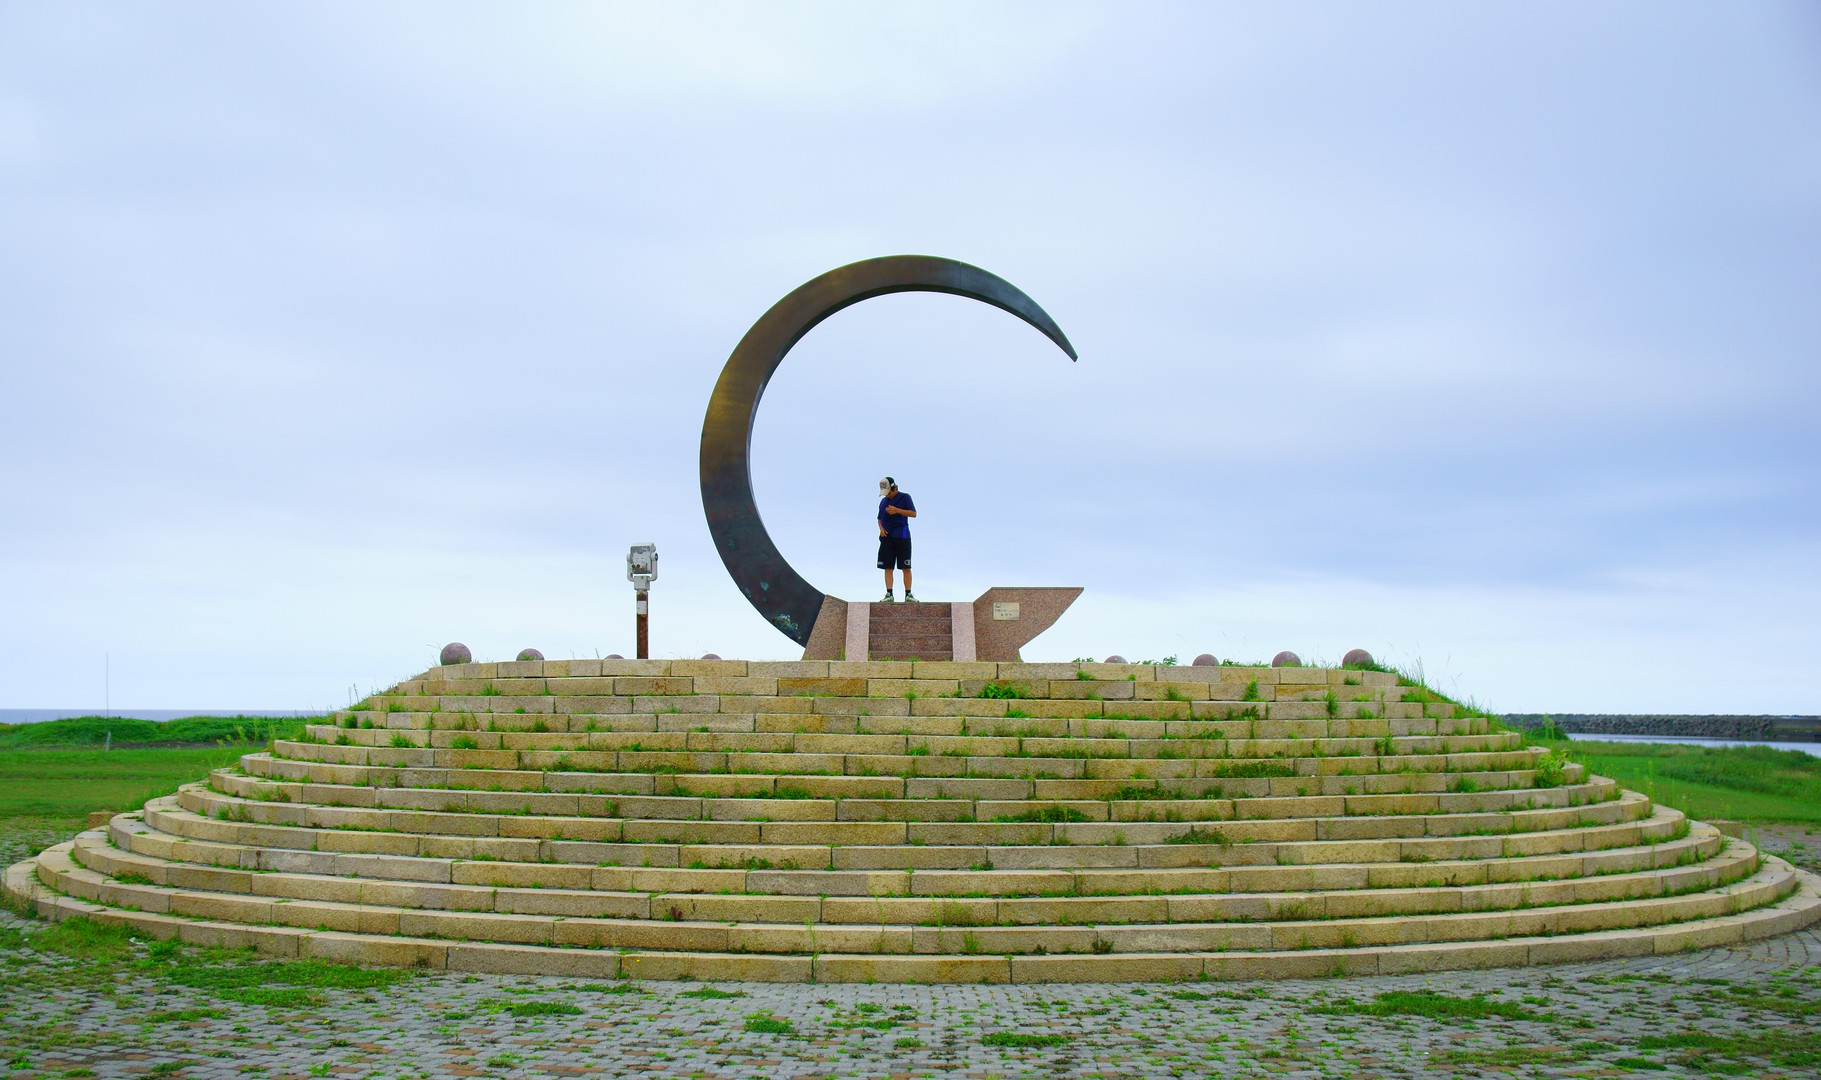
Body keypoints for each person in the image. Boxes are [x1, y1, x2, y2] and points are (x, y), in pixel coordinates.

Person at [876, 476, 917, 603]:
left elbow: (913, 513)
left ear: (894, 488)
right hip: (887, 538)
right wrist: (881, 528)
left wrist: (897, 510)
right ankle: (889, 594)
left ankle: (908, 594)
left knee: (906, 567)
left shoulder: (905, 497)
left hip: (902, 537)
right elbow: (879, 518)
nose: (887, 495)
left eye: (888, 492)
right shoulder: (883, 502)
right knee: (888, 567)